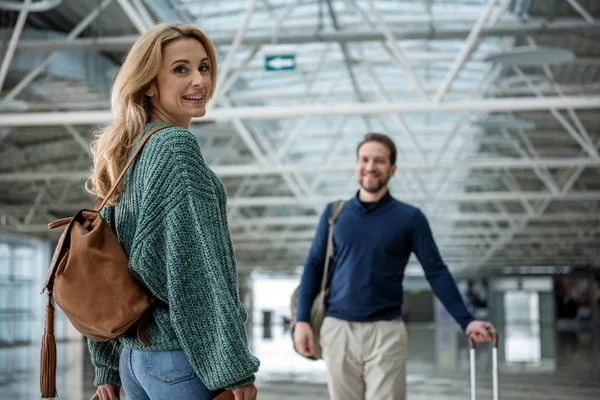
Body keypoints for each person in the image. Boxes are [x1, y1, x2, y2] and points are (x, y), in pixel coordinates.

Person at [85, 23, 259, 400]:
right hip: (179, 362)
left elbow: (105, 268)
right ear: (149, 83)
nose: (199, 81)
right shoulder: (174, 148)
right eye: (181, 69)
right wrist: (232, 366)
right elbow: (194, 272)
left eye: (204, 67)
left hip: (135, 361)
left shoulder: (127, 155)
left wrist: (107, 366)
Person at [293, 133, 495, 400]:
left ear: (392, 169)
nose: (370, 166)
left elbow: (436, 271)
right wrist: (302, 320)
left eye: (379, 161)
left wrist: (466, 321)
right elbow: (314, 265)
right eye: (364, 159)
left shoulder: (409, 218)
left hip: (386, 331)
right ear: (357, 165)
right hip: (338, 328)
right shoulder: (334, 215)